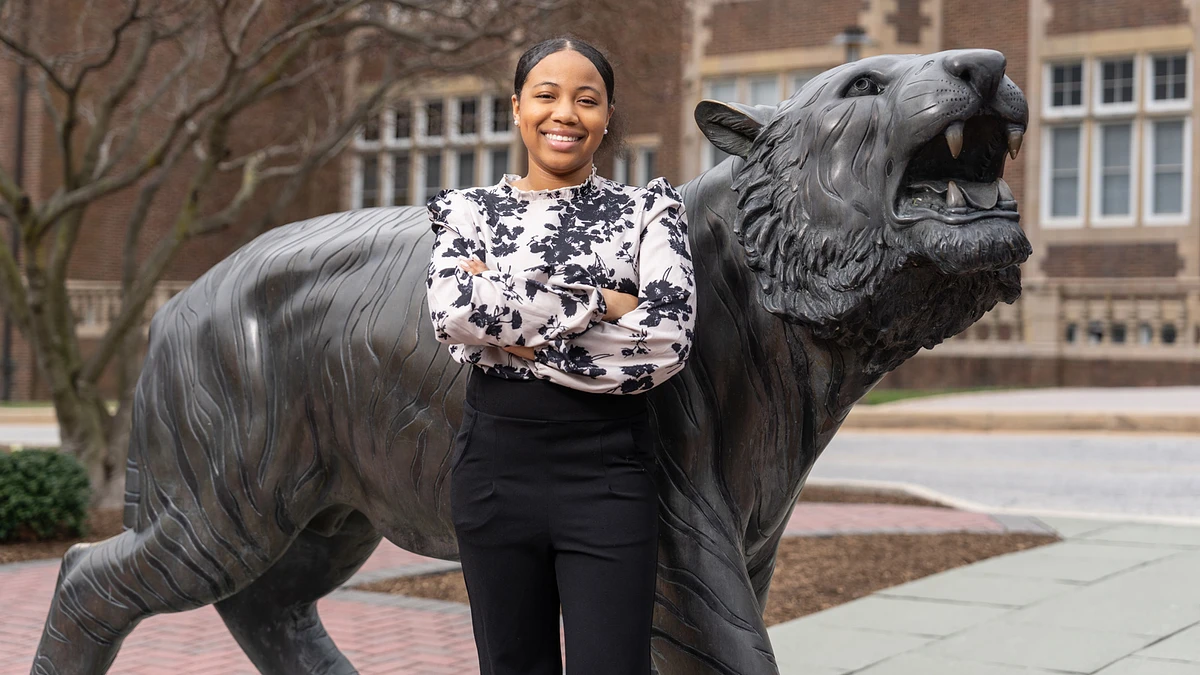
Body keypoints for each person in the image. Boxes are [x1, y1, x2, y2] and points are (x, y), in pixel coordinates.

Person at [424, 36, 696, 675]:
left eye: (586, 99)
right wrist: (607, 300)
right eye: (545, 96)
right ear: (517, 108)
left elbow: (667, 341)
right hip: (494, 470)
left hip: (606, 476)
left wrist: (514, 334)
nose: (564, 113)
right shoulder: (468, 212)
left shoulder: (648, 211)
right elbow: (455, 313)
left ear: (607, 115)